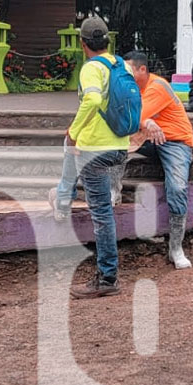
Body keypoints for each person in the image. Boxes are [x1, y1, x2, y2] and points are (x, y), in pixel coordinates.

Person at [67, 16, 131, 300]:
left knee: (101, 213)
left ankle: (107, 276)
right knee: (107, 209)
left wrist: (74, 131)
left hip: (95, 148)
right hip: (120, 145)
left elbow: (92, 100)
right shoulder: (120, 64)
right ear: (107, 40)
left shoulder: (91, 68)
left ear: (83, 44)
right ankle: (108, 271)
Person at [125, 50, 193, 270]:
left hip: (175, 141)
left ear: (142, 69)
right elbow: (122, 119)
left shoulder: (157, 86)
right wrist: (147, 124)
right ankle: (111, 191)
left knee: (176, 186)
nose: (125, 75)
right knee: (112, 142)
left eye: (130, 71)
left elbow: (131, 117)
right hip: (150, 138)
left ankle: (176, 247)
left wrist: (143, 121)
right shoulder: (130, 87)